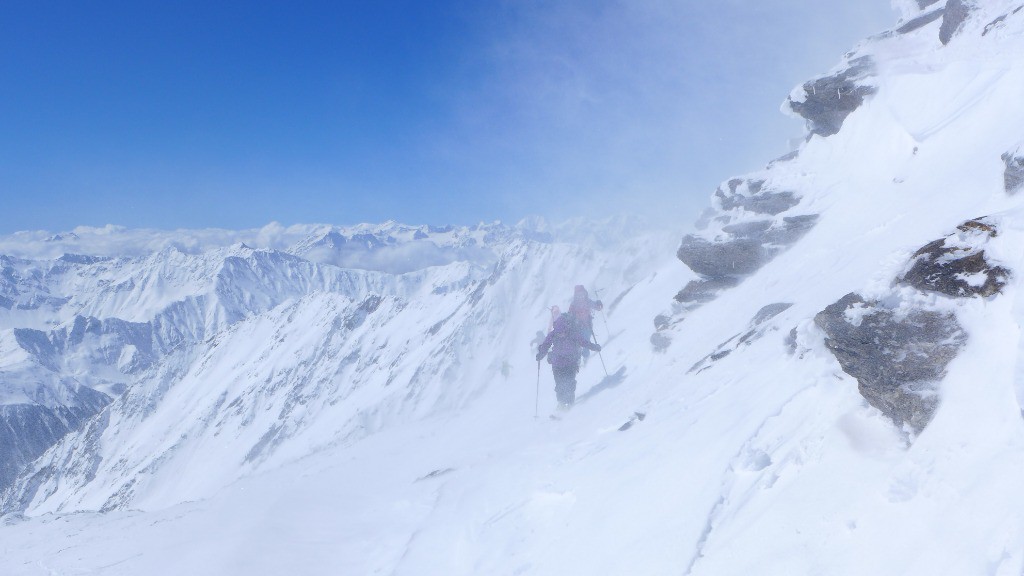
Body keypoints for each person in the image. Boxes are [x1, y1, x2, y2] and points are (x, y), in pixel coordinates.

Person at [536, 312, 601, 410]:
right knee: (559, 384)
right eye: (559, 333)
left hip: (571, 363)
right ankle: (561, 403)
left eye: (562, 332)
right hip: (557, 363)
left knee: (570, 383)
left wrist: (594, 347)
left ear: (566, 328)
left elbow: (583, 342)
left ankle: (569, 403)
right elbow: (545, 345)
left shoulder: (572, 333)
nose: (561, 335)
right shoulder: (553, 335)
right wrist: (541, 354)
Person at [567, 285, 603, 357]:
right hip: (578, 327)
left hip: (587, 326)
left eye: (582, 294)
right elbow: (569, 316)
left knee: (586, 341)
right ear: (576, 295)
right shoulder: (574, 304)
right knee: (581, 342)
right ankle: (582, 359)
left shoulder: (587, 301)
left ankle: (586, 359)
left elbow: (598, 308)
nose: (580, 296)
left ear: (584, 293)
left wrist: (598, 304)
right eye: (578, 295)